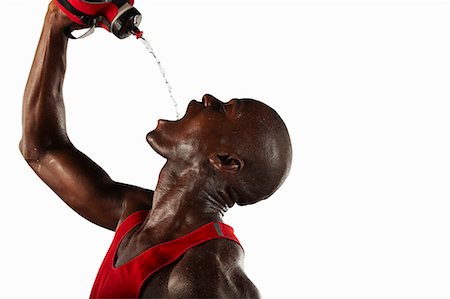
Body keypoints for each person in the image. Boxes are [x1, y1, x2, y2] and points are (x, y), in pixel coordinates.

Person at [20, 2, 292, 298]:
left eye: (225, 109)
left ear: (225, 161)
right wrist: (60, 18)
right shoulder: (137, 213)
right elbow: (42, 150)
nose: (208, 98)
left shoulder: (208, 276)